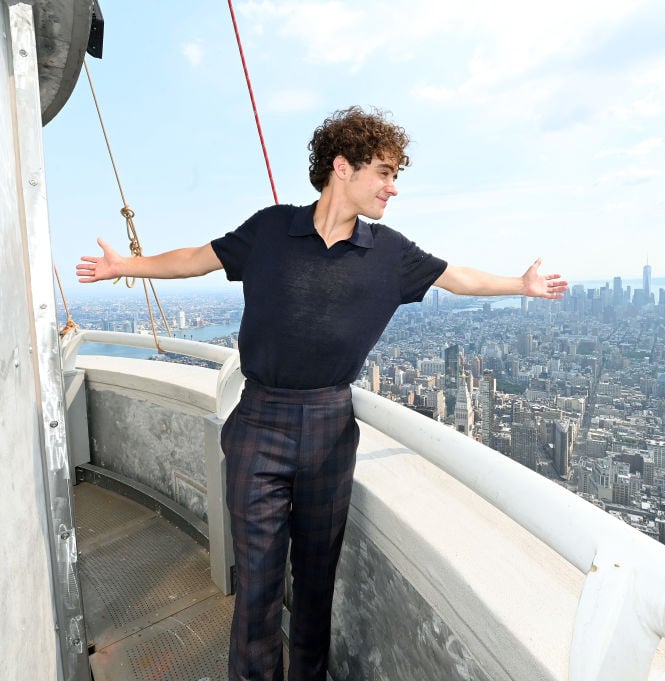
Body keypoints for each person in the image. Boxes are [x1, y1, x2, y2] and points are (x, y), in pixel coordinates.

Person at [76, 105, 567, 681]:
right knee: (257, 586)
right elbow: (197, 259)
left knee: (314, 586)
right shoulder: (269, 229)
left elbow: (458, 277)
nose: (393, 186)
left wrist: (521, 285)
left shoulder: (390, 253)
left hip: (330, 429)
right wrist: (125, 266)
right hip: (258, 420)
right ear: (342, 167)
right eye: (383, 172)